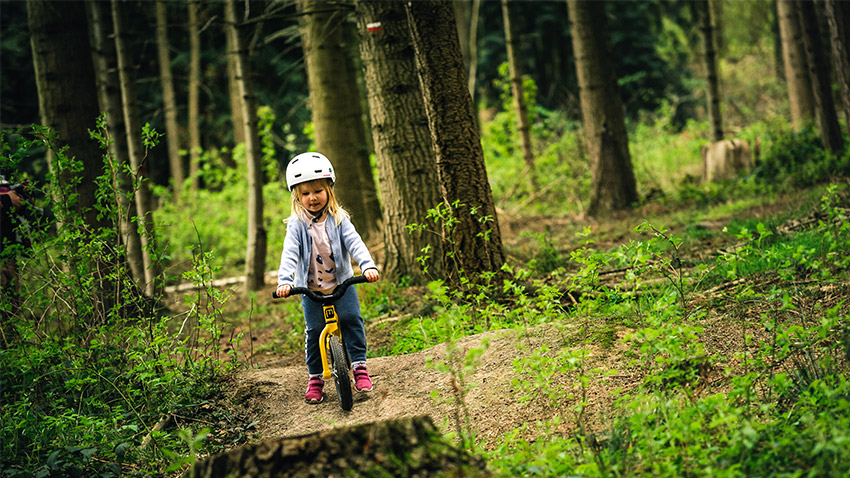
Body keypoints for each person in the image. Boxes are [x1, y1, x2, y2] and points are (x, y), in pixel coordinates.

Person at [275, 152, 380, 404]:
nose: (312, 198)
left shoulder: (339, 219)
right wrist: (285, 281)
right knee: (314, 332)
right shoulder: (297, 225)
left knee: (352, 319)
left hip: (341, 284)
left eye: (318, 191)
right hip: (310, 289)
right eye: (305, 193)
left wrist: (367, 266)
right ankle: (315, 378)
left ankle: (359, 366)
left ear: (329, 190)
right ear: (297, 197)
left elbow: (356, 243)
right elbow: (289, 253)